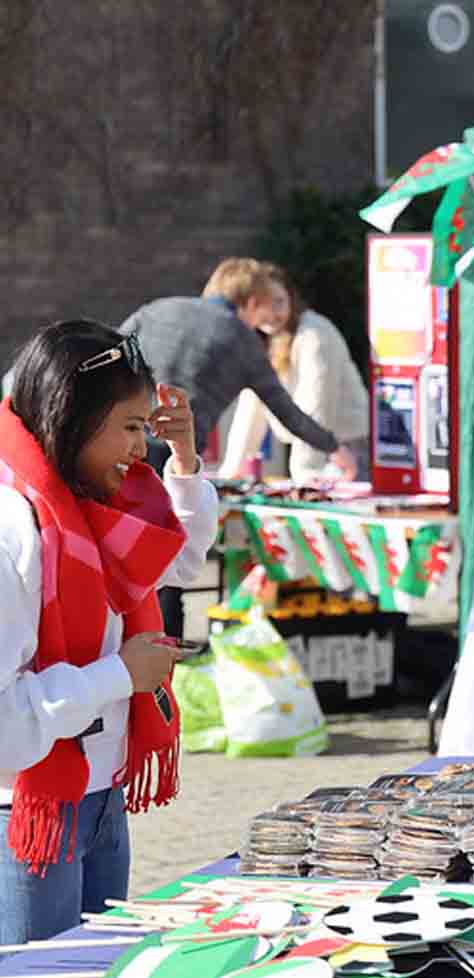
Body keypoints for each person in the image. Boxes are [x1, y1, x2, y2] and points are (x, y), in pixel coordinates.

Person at [0, 320, 218, 945]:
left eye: (145, 427)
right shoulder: (17, 526)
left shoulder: (100, 501)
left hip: (100, 795)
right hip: (29, 808)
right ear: (71, 420)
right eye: (129, 427)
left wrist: (185, 460)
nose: (139, 446)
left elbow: (177, 560)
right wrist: (119, 674)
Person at [120, 257, 355, 636]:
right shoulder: (241, 339)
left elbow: (109, 355)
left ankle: (124, 651)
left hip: (121, 444)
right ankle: (166, 664)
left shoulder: (157, 308)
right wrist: (333, 447)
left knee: (120, 550)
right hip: (174, 455)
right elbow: (286, 411)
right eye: (263, 306)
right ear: (250, 301)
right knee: (166, 561)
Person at [218, 263, 370, 482]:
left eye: (280, 302)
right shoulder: (262, 341)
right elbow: (251, 409)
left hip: (347, 447)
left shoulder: (314, 333)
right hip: (315, 448)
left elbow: (317, 406)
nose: (273, 313)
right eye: (265, 304)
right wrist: (232, 470)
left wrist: (305, 472)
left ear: (292, 297)